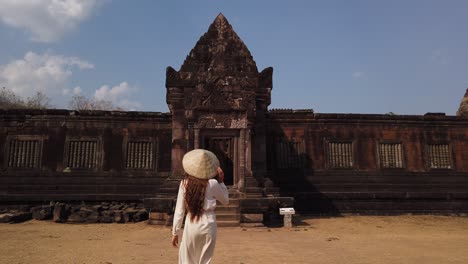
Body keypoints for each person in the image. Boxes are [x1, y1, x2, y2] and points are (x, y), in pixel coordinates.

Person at [171, 149, 229, 264]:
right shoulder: (213, 183)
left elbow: (179, 211)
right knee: (204, 260)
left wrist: (175, 232)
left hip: (191, 224)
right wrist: (221, 181)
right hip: (209, 223)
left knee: (187, 258)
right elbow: (226, 201)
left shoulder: (184, 184)